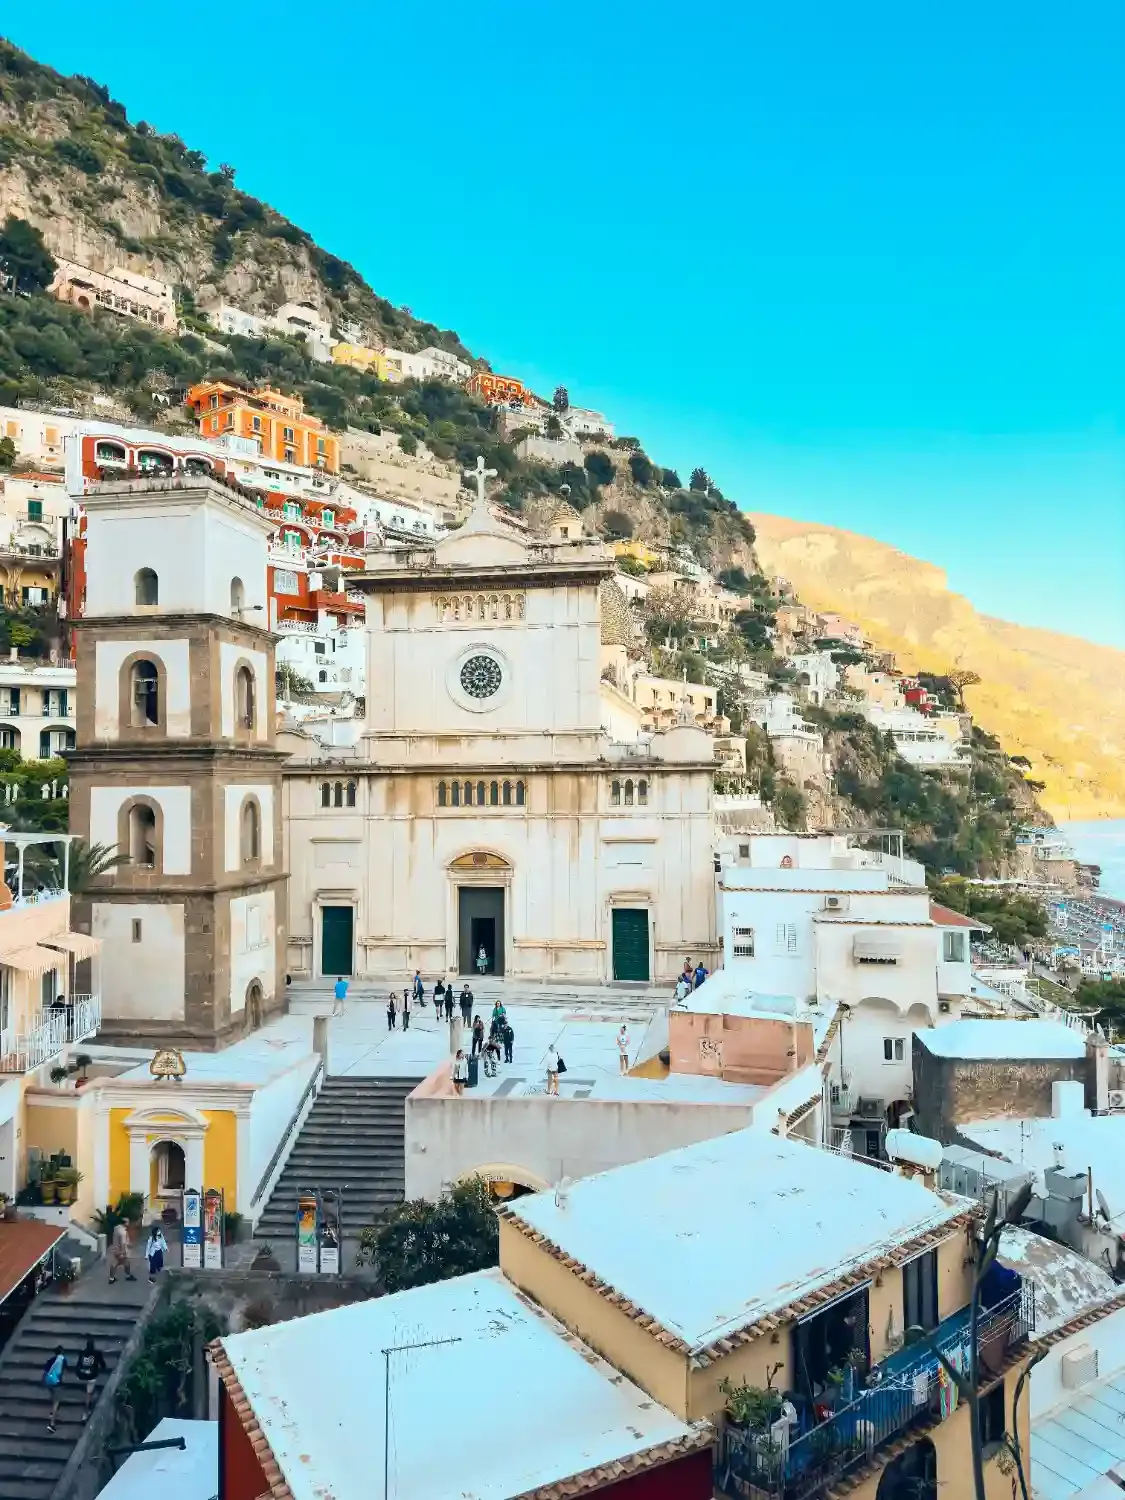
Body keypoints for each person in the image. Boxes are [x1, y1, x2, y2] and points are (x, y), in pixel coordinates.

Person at [76, 1336, 107, 1423]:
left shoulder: (82, 1353)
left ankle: (87, 1408)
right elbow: (102, 1363)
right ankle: (85, 1413)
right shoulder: (97, 1353)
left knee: (89, 1391)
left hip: (82, 1375)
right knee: (89, 1394)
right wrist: (105, 1368)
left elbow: (78, 1364)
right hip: (91, 1376)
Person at [42, 1345, 66, 1433]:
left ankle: (53, 1414)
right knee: (56, 1402)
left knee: (53, 1398)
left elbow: (45, 1371)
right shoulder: (62, 1359)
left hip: (48, 1382)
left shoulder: (51, 1360)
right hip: (56, 1383)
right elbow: (61, 1372)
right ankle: (51, 1424)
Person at [108, 1220, 135, 1284]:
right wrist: (122, 1253)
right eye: (128, 1222)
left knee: (119, 1263)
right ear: (125, 1223)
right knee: (122, 1263)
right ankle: (127, 1276)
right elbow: (122, 1243)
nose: (129, 1223)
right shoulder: (123, 1232)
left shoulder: (117, 1228)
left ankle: (112, 1278)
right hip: (120, 1251)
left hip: (115, 1249)